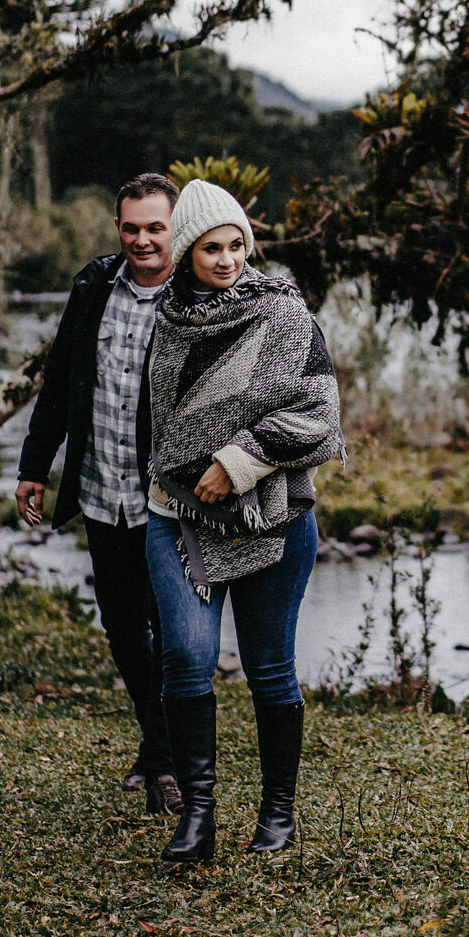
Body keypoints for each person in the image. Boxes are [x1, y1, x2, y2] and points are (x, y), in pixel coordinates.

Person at [143, 178, 343, 863]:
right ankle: (197, 819)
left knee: (269, 668)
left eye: (236, 245)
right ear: (185, 252)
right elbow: (163, 427)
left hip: (274, 518)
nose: (227, 260)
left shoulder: (283, 314)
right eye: (210, 248)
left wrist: (240, 458)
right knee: (186, 657)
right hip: (177, 517)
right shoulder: (167, 321)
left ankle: (277, 817)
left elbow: (322, 412)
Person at [15, 173, 182, 815]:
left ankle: (165, 760)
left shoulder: (195, 298)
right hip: (99, 491)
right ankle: (156, 742)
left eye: (156, 228)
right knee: (120, 626)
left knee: (168, 631)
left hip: (166, 503)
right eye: (132, 227)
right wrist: (36, 464)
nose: (143, 240)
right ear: (119, 228)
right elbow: (59, 383)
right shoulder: (92, 287)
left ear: (175, 228)